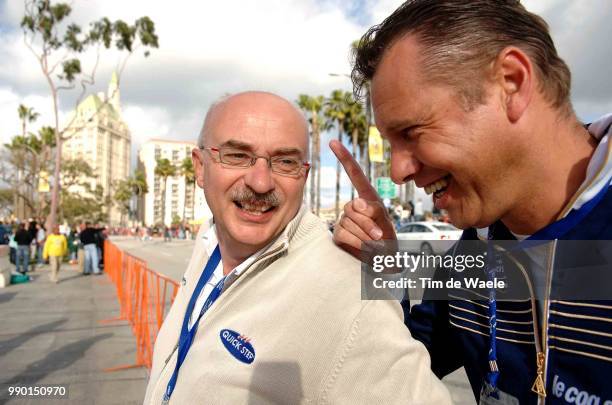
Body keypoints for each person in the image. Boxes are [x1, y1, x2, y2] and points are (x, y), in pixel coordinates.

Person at [331, 1, 612, 404]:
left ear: (512, 83)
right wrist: (387, 274)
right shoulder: (474, 251)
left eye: (411, 131)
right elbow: (401, 367)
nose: (397, 172)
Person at [143, 91, 451, 405]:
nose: (260, 182)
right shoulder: (209, 243)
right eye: (236, 156)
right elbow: (438, 328)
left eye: (285, 162)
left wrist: (378, 281)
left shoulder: (341, 296)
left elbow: (410, 349)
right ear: (200, 167)